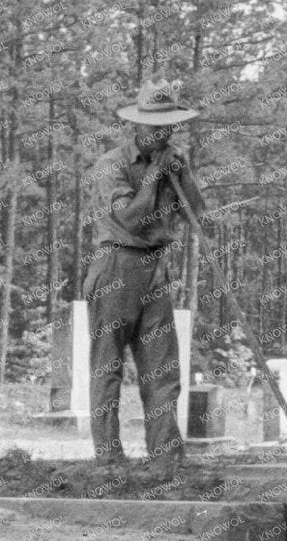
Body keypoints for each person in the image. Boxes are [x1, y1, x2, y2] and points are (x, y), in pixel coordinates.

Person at [88, 82, 212, 476]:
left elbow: (198, 214)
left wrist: (183, 174)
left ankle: (165, 457)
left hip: (155, 267)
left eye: (169, 127)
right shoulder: (113, 163)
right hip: (117, 265)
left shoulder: (174, 161)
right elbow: (129, 218)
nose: (164, 134)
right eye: (155, 127)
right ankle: (109, 458)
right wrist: (153, 177)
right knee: (108, 366)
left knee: (162, 366)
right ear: (137, 128)